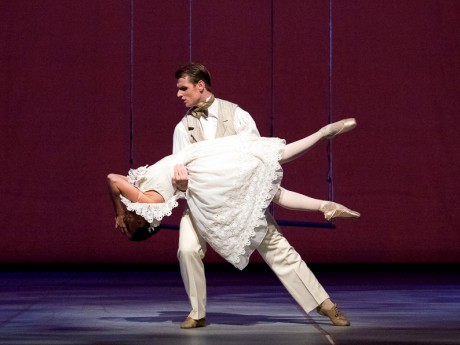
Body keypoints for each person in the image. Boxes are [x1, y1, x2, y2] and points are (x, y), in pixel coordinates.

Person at [108, 63, 359, 329]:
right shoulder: (183, 128)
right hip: (201, 203)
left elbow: (257, 157)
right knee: (187, 249)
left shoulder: (236, 115)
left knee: (278, 249)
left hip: (239, 199)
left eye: (184, 88)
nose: (179, 94)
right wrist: (181, 186)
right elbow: (177, 172)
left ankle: (326, 305)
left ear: (200, 86)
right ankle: (197, 311)